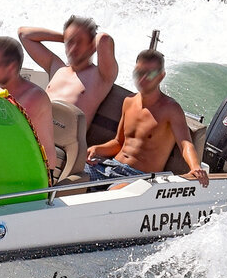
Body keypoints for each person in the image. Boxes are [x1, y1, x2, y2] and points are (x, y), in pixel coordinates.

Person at [86, 49, 209, 187]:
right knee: (70, 181)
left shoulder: (170, 109)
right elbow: (118, 143)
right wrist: (96, 149)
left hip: (138, 178)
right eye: (139, 72)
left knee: (111, 199)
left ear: (161, 76)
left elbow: (185, 143)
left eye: (150, 74)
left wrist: (195, 167)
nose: (143, 78)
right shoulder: (129, 101)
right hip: (110, 167)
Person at [17, 15, 118, 120]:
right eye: (70, 42)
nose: (73, 48)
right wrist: (66, 38)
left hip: (63, 135)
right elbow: (23, 34)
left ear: (92, 45)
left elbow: (104, 39)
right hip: (34, 132)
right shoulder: (57, 68)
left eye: (80, 42)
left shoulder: (101, 76)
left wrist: (79, 37)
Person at [0, 36, 58, 173]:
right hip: (12, 164)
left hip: (38, 174)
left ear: (11, 67)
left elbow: (1, 128)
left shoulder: (34, 97)